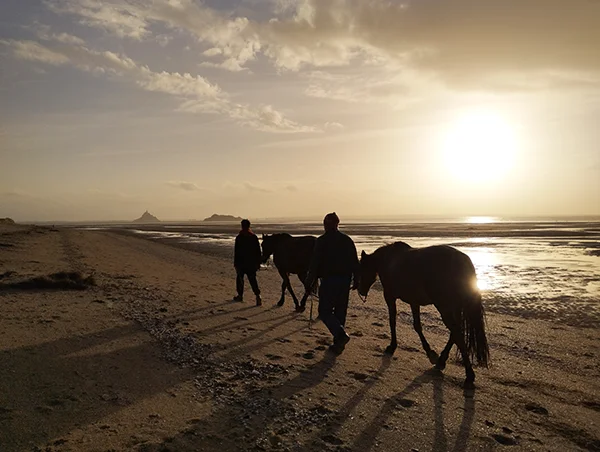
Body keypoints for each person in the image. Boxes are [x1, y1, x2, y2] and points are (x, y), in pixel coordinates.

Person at [305, 212, 359, 354]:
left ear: (328, 225)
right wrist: (357, 280)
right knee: (340, 313)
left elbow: (315, 263)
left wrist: (309, 282)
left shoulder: (322, 241)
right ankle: (338, 345)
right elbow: (355, 262)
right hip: (345, 281)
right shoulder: (347, 240)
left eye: (325, 223)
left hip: (330, 280)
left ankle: (341, 336)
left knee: (324, 311)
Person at [233, 219, 262, 306]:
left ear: (242, 226)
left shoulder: (239, 237)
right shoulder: (253, 237)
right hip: (251, 263)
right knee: (253, 280)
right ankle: (258, 296)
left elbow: (236, 251)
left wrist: (235, 263)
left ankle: (240, 296)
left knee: (240, 280)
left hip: (241, 263)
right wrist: (258, 263)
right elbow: (258, 251)